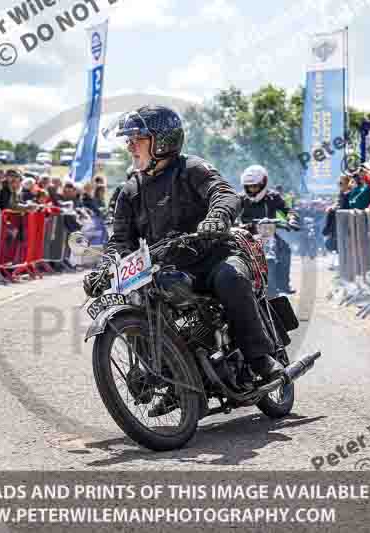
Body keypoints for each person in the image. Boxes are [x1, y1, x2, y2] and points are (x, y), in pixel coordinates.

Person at [85, 105, 286, 417]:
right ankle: (176, 380)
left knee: (230, 278)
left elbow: (224, 194)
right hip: (167, 268)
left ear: (161, 141)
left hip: (211, 257)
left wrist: (217, 217)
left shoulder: (190, 168)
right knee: (139, 301)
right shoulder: (129, 191)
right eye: (129, 140)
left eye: (136, 139)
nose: (129, 146)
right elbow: (120, 240)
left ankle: (260, 357)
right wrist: (104, 268)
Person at [238, 164, 298, 294]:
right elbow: (231, 213)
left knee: (285, 249)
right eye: (249, 186)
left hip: (268, 234)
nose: (252, 189)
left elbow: (288, 210)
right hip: (246, 235)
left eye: (255, 186)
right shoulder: (241, 198)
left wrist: (291, 219)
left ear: (263, 183)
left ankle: (283, 285)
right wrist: (233, 223)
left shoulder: (273, 196)